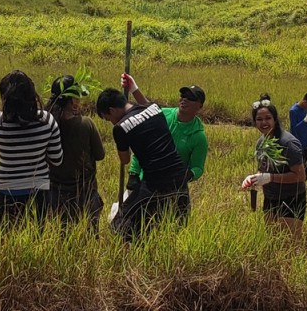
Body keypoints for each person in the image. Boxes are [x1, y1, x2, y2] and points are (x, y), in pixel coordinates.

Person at [95, 87, 188, 241]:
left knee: (119, 225)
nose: (111, 122)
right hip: (180, 176)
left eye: (107, 118)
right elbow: (143, 103)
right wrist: (134, 88)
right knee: (175, 227)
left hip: (155, 183)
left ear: (111, 110)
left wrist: (122, 142)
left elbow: (125, 160)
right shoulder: (154, 108)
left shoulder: (120, 127)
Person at [122, 74, 208, 220]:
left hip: (172, 187)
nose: (184, 99)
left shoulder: (198, 136)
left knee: (169, 224)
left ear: (199, 106)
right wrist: (133, 88)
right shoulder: (166, 115)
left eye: (190, 98)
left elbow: (198, 167)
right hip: (146, 180)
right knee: (128, 221)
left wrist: (187, 175)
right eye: (183, 95)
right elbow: (146, 108)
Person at [0, 70, 63, 228]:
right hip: (38, 193)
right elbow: (57, 159)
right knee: (36, 241)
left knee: (6, 240)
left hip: (5, 191)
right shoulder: (47, 121)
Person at [45, 74, 106, 228]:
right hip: (84, 193)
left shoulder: (46, 124)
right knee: (90, 236)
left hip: (55, 193)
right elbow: (100, 155)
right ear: (73, 101)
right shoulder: (86, 124)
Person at [241, 95, 307, 236]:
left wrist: (270, 177)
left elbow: (300, 176)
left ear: (275, 120)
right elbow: (263, 168)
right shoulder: (261, 143)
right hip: (270, 198)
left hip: (291, 198)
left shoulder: (288, 143)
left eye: (268, 118)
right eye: (259, 119)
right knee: (273, 240)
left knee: (290, 243)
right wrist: (254, 178)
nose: (264, 122)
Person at [288, 92, 307, 175]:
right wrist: (304, 121)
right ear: (305, 102)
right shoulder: (293, 111)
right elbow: (294, 130)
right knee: (300, 169)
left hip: (305, 144)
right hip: (297, 145)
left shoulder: (306, 110)